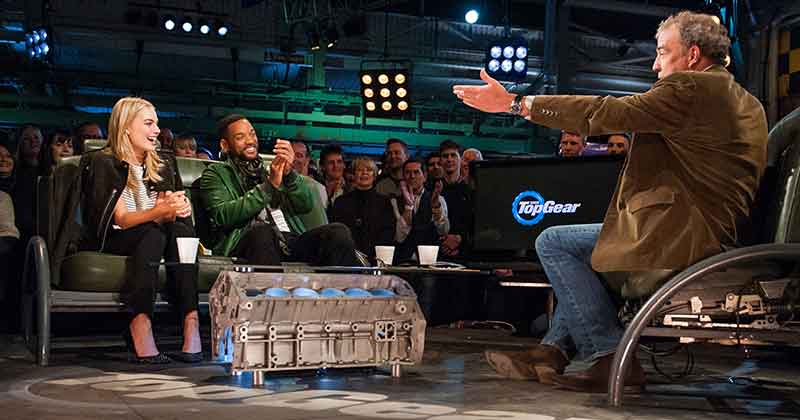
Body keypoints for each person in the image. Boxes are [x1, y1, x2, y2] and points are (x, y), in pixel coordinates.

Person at [453, 11, 767, 392]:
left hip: (684, 239)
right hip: (710, 233)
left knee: (554, 242)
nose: (655, 65)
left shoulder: (691, 88)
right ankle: (552, 351)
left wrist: (517, 103)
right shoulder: (746, 100)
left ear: (693, 55)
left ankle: (608, 356)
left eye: (662, 52)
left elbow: (606, 112)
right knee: (597, 246)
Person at [80, 97, 201, 364]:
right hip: (117, 236)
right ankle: (140, 321)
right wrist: (160, 211)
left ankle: (191, 321)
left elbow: (167, 212)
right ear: (125, 127)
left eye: (156, 124)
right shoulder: (104, 161)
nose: (156, 130)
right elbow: (122, 219)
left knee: (182, 233)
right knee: (151, 232)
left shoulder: (163, 161)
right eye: (148, 123)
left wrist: (180, 207)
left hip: (156, 233)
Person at [198, 114, 360, 267]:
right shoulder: (215, 173)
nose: (250, 141)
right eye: (240, 137)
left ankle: (343, 288)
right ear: (225, 145)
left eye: (252, 134)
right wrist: (269, 187)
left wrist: (289, 175)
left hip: (287, 241)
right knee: (262, 232)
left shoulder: (268, 170)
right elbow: (223, 216)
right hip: (246, 241)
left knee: (338, 232)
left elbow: (305, 205)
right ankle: (271, 289)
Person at [331, 157, 395, 261]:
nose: (364, 173)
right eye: (360, 170)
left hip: (376, 258)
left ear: (374, 175)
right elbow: (337, 231)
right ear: (353, 175)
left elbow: (388, 231)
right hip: (346, 258)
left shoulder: (384, 202)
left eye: (369, 170)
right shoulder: (341, 202)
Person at [392, 158, 449, 262]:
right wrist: (408, 207)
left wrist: (435, 206)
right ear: (403, 177)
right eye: (408, 173)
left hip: (430, 259)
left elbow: (443, 230)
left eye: (416, 172)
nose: (412, 176)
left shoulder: (438, 199)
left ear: (425, 176)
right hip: (402, 259)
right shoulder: (395, 201)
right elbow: (399, 237)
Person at [291, 140, 327, 206]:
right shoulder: (277, 184)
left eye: (299, 155)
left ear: (307, 159)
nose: (293, 159)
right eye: (290, 155)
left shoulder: (318, 189)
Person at [320, 143, 347, 211]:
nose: (336, 166)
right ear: (323, 166)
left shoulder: (350, 189)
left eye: (339, 162)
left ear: (344, 165)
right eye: (331, 162)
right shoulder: (315, 188)